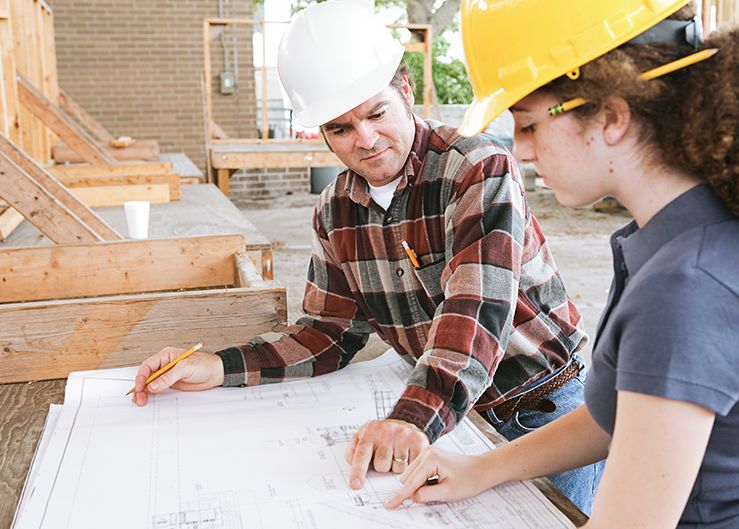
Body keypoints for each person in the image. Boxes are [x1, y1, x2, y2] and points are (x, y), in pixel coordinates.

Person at [385, 1, 739, 527]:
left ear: (611, 117)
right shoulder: (684, 237)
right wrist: (482, 469)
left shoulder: (689, 288)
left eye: (529, 123)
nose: (523, 151)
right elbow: (618, 416)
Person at [130, 0, 603, 513]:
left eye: (376, 114)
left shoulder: (476, 169)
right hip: (453, 422)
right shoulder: (336, 212)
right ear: (321, 133)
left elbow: (475, 313)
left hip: (544, 411)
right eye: (340, 129)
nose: (367, 140)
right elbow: (326, 332)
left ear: (403, 92)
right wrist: (218, 366)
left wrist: (408, 419)